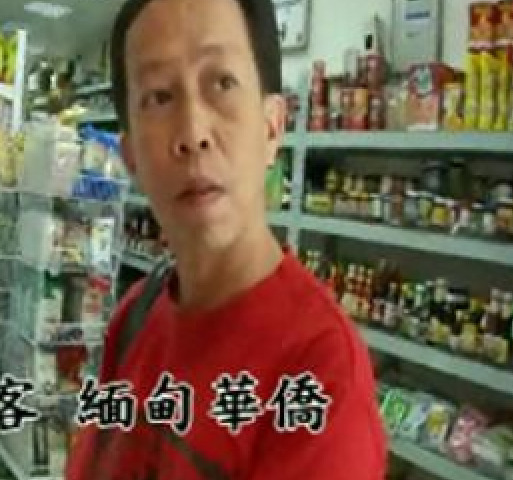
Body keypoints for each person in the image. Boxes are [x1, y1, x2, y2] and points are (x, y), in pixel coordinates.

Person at [65, 0, 387, 478]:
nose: (193, 133)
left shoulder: (319, 374)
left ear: (272, 126)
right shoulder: (134, 317)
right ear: (130, 156)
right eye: (159, 97)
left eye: (222, 83)